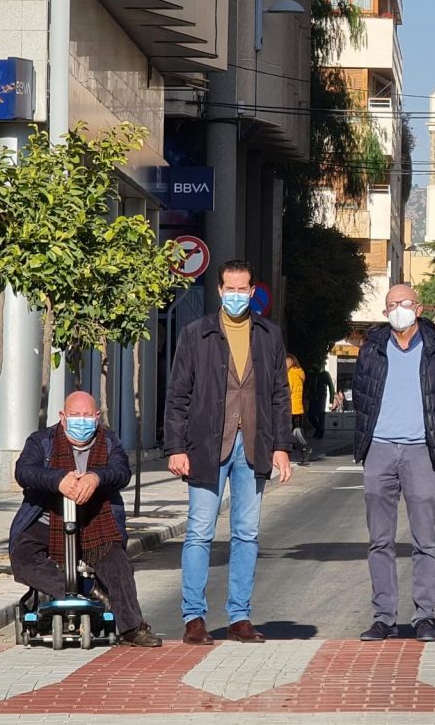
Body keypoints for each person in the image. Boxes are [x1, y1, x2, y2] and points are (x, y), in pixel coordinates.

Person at [165, 259, 294, 645]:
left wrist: (283, 447)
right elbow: (178, 395)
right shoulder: (196, 334)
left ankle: (239, 617)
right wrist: (175, 447)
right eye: (230, 289)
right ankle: (194, 618)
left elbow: (279, 395)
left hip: (253, 446)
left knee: (247, 534)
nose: (236, 295)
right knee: (200, 532)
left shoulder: (269, 336)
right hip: (205, 446)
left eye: (243, 289)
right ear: (220, 291)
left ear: (252, 292)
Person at [352, 284, 435, 643]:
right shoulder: (371, 349)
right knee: (379, 540)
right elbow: (361, 395)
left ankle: (424, 617)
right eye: (391, 305)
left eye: (403, 303)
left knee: (425, 540)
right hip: (380, 451)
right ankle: (384, 617)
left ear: (418, 308)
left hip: (421, 452)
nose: (397, 309)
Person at [9, 391, 161, 647]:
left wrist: (95, 477)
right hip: (48, 519)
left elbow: (121, 472)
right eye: (75, 415)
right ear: (62, 417)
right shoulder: (41, 441)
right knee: (23, 557)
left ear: (97, 417)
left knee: (118, 565)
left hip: (94, 521)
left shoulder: (109, 441)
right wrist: (58, 479)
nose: (82, 420)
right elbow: (24, 472)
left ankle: (132, 627)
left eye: (87, 415)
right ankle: (87, 589)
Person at [286, 354, 312, 463]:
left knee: (292, 433)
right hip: (297, 409)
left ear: (291, 362)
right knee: (295, 432)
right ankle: (303, 449)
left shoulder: (290, 374)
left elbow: (288, 390)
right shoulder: (298, 373)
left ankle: (304, 448)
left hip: (290, 408)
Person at [306, 364, 335, 439]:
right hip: (312, 397)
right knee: (310, 416)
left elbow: (331, 386)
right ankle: (319, 429)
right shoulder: (311, 374)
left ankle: (320, 432)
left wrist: (331, 400)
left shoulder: (325, 374)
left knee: (320, 414)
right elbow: (306, 384)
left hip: (321, 397)